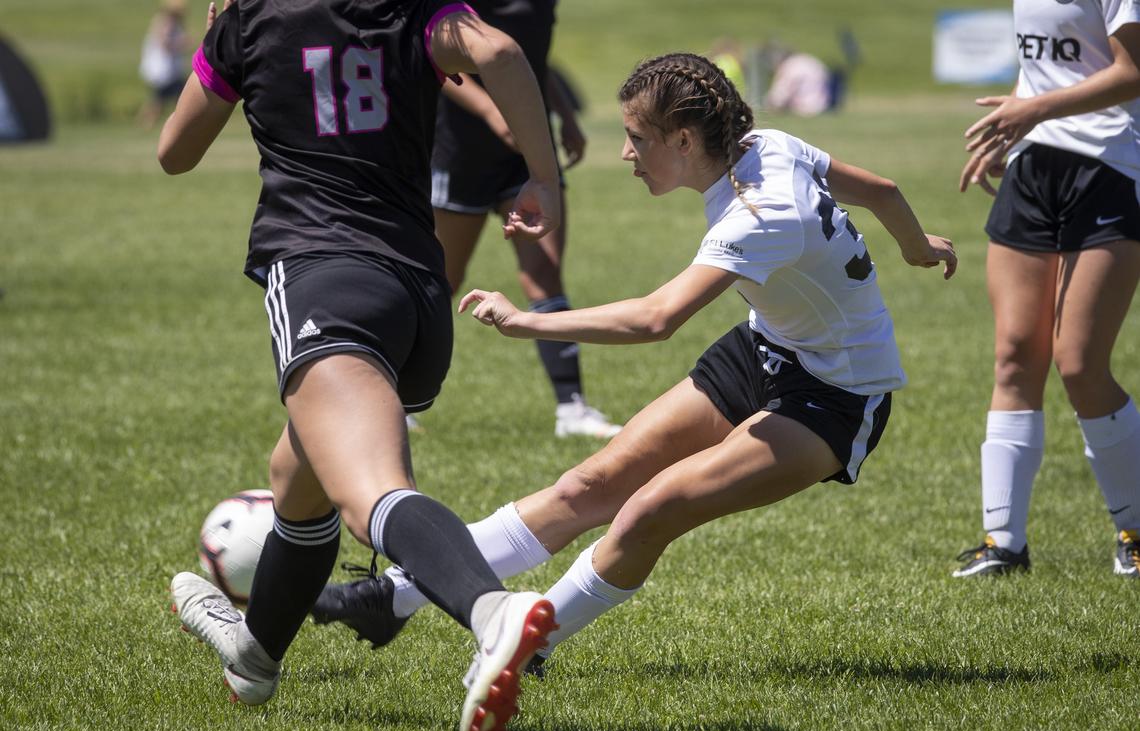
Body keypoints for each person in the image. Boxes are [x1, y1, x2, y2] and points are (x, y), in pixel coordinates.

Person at [311, 52, 957, 670]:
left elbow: (656, 318)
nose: (625, 154)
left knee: (652, 509)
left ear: (681, 140)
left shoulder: (758, 215)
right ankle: (393, 597)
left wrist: (528, 320)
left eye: (636, 139)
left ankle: (525, 643)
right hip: (767, 348)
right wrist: (917, 247)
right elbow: (884, 190)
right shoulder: (769, 146)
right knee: (584, 488)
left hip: (839, 395)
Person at [159, 0, 564, 731]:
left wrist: (223, 42)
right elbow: (502, 53)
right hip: (418, 294)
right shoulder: (411, 9)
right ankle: (255, 655)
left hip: (324, 276)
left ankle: (492, 613)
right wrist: (542, 177)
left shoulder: (250, 18)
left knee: (370, 491)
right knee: (298, 474)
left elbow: (174, 150)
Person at [953, 0, 1140, 577]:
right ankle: (1002, 543)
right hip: (1034, 171)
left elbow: (1131, 72)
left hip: (1110, 171)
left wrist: (1031, 111)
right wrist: (1009, 132)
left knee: (1080, 363)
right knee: (1014, 354)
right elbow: (1039, 72)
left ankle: (1134, 530)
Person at [427, 0, 622, 439]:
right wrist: (489, 109)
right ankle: (398, 400)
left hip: (528, 149)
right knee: (442, 281)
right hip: (461, 151)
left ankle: (571, 409)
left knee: (546, 274)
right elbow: (427, 54)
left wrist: (566, 117)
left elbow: (529, 57)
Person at [137, 0, 191, 129]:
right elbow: (165, 44)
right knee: (159, 101)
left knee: (165, 99)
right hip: (162, 70)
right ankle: (145, 124)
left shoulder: (172, 24)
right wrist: (182, 43)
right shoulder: (165, 23)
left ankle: (146, 124)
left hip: (169, 70)